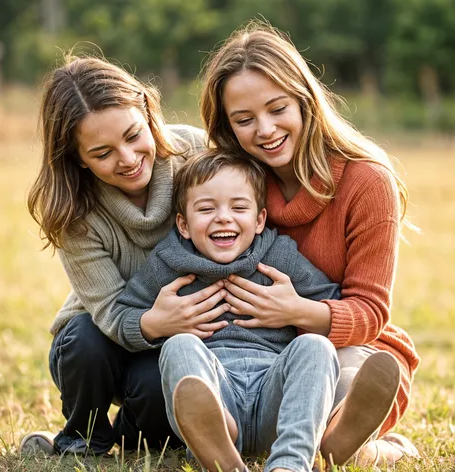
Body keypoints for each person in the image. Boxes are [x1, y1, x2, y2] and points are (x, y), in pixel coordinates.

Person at [199, 20, 421, 469]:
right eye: (244, 120)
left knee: (344, 373)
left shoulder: (365, 182)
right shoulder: (230, 188)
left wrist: (295, 312)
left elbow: (370, 312)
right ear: (228, 126)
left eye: (277, 108)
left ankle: (352, 440)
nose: (265, 129)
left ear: (304, 100)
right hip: (253, 352)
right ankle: (331, 442)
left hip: (345, 342)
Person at [110, 150, 400, 472]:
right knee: (179, 346)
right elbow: (124, 315)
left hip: (274, 394)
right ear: (184, 224)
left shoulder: (278, 255)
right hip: (217, 393)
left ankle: (290, 463)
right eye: (206, 209)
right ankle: (219, 446)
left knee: (315, 346)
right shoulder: (168, 263)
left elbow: (330, 298)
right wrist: (156, 323)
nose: (223, 218)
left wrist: (294, 309)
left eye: (239, 207)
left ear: (260, 220)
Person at [21, 54, 228, 456]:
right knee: (84, 340)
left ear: (149, 113)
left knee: (158, 388)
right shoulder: (74, 210)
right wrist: (153, 322)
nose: (128, 159)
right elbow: (110, 312)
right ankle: (83, 439)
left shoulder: (196, 152)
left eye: (134, 136)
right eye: (102, 153)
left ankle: (131, 437)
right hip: (105, 340)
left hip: (180, 343)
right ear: (77, 158)